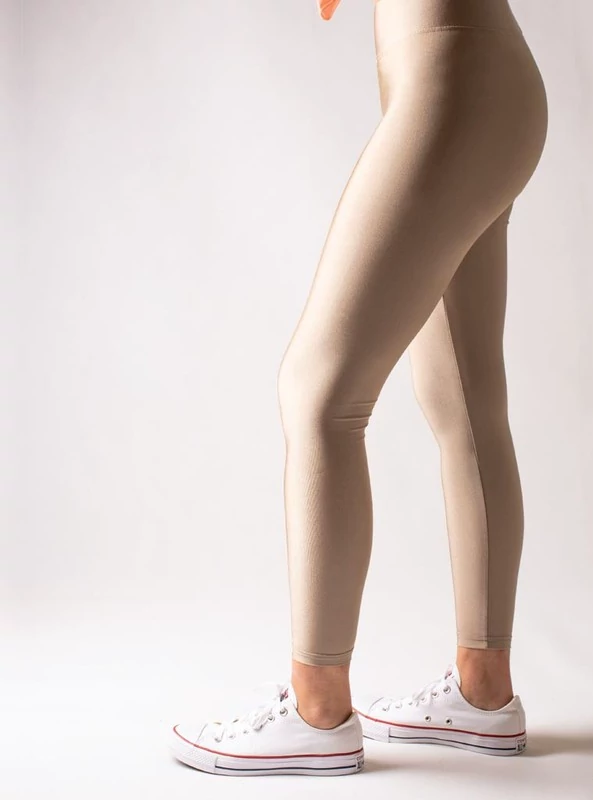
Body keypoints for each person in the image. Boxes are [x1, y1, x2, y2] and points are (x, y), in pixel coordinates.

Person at [169, 0, 548, 776]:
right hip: (485, 78)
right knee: (463, 399)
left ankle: (318, 707)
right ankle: (483, 691)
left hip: (452, 79)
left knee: (318, 394)